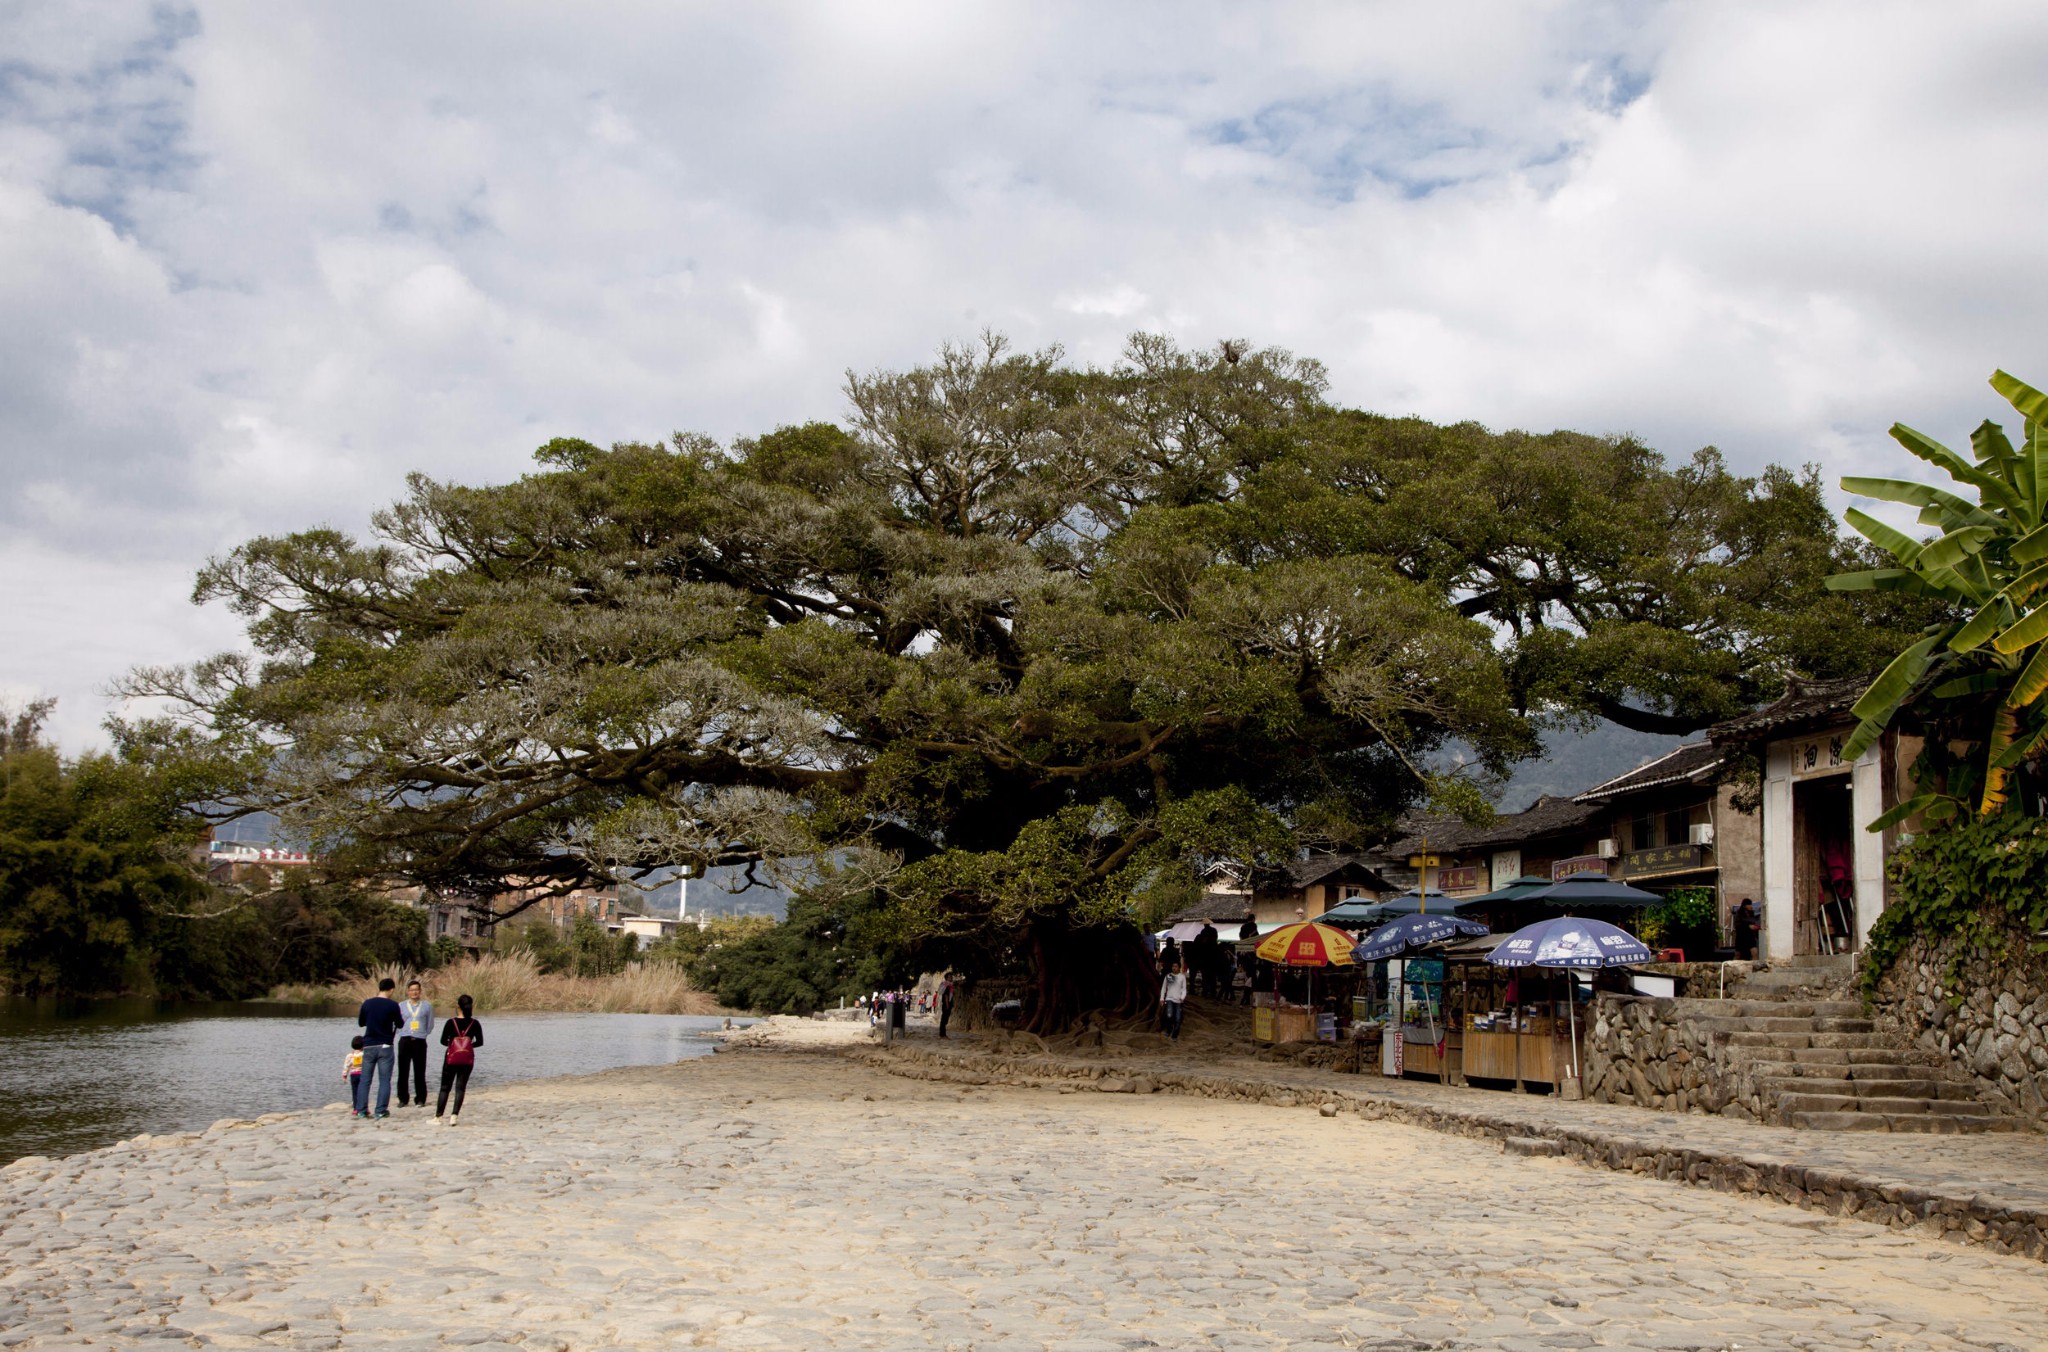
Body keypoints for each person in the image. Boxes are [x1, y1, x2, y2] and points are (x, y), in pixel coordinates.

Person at [355, 977, 403, 1119]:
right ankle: (380, 1110)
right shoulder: (393, 1005)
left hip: (369, 1044)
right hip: (385, 1045)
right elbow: (400, 1024)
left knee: (365, 1079)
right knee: (384, 1080)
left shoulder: (367, 1003)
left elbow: (361, 1023)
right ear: (391, 989)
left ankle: (362, 1109)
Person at [436, 994, 483, 1124]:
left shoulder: (450, 1022)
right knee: (460, 1088)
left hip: (451, 1058)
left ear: (458, 1006)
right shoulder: (475, 1023)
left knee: (445, 1087)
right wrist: (467, 1046)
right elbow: (480, 1042)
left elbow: (442, 1041)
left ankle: (438, 1116)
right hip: (467, 1060)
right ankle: (454, 1116)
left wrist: (453, 1046)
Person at [395, 979, 435, 1109]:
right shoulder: (400, 1005)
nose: (414, 992)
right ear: (407, 992)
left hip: (419, 1041)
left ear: (420, 991)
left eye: (416, 990)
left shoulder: (426, 1006)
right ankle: (403, 1098)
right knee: (403, 1071)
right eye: (411, 990)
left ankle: (420, 1099)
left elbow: (430, 1024)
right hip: (405, 1040)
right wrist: (403, 1032)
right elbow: (396, 1023)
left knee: (419, 1071)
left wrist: (422, 1033)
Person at [1160, 962, 1189, 1041]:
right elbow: (1164, 988)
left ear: (1179, 967)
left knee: (1178, 1018)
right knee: (1169, 1016)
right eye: (1173, 966)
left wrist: (1182, 998)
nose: (1174, 968)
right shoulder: (1168, 976)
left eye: (1176, 966)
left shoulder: (1182, 977)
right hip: (1169, 999)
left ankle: (1174, 1035)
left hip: (1178, 1001)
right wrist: (1162, 998)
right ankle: (1168, 1030)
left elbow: (1184, 989)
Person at [343, 1035, 365, 1104]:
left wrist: (344, 1076)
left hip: (353, 1075)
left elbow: (346, 1066)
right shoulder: (364, 1054)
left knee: (355, 1091)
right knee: (363, 1091)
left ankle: (355, 1107)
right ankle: (363, 1106)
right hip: (362, 1075)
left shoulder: (349, 1055)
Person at [937, 973, 956, 1039]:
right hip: (946, 1004)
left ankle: (942, 1034)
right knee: (944, 1019)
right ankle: (943, 1034)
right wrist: (947, 1005)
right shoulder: (947, 986)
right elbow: (946, 996)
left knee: (944, 1019)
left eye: (952, 977)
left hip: (947, 1004)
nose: (952, 978)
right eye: (950, 977)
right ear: (947, 978)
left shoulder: (949, 985)